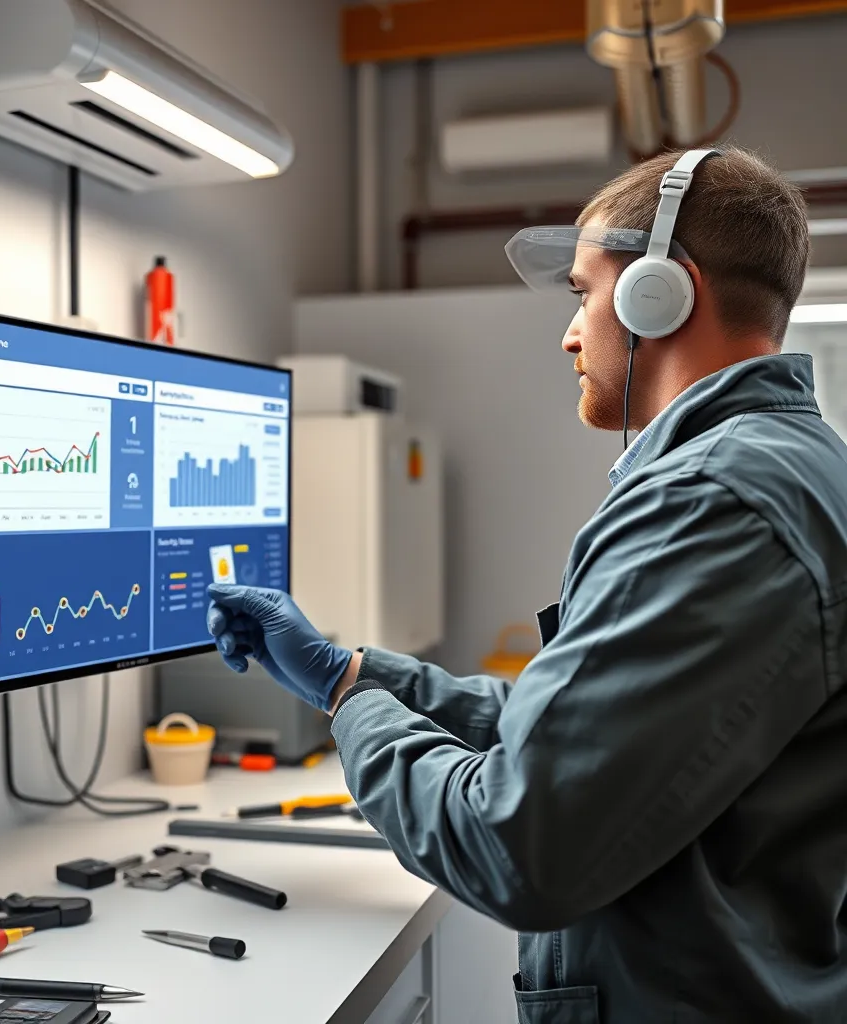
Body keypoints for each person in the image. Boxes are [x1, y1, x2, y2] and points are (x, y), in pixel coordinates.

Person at [207, 145, 847, 1023]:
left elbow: (515, 844)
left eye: (584, 292)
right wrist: (349, 675)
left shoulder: (715, 502)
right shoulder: (779, 472)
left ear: (658, 290)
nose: (570, 331)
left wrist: (354, 717)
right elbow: (589, 733)